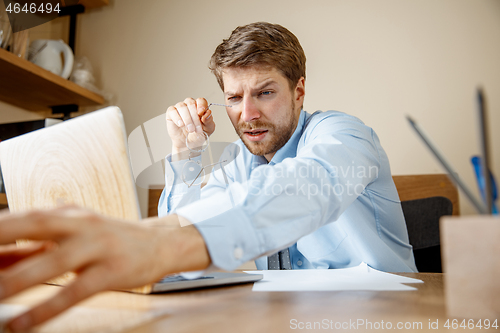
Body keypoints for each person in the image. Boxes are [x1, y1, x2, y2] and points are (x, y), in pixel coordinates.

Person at [0, 22, 415, 332]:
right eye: (234, 97)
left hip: (387, 318)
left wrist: (164, 242)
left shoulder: (343, 134)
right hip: (290, 320)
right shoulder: (236, 162)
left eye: (265, 93)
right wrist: (188, 155)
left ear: (299, 92)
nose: (247, 114)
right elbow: (185, 234)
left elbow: (308, 185)